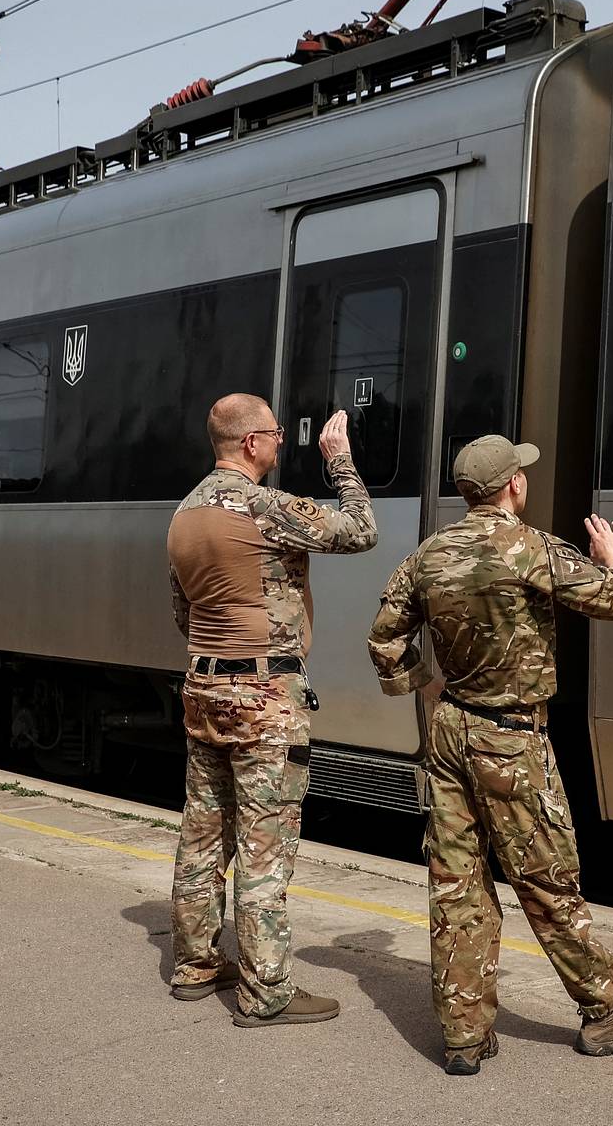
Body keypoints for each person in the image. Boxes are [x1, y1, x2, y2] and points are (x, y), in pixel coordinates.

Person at [367, 434, 613, 1073]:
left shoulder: (429, 554)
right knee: (547, 879)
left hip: (449, 729)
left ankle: (463, 1035)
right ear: (512, 486)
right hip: (511, 738)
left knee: (457, 883)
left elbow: (385, 640)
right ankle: (606, 1013)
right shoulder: (531, 548)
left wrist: (427, 685)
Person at [167, 395, 376, 1026]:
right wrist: (340, 462)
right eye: (276, 435)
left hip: (205, 689)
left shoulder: (183, 513)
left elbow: (185, 613)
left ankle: (196, 965)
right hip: (264, 697)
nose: (282, 443)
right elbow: (360, 530)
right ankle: (267, 992)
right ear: (252, 443)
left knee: (203, 833)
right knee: (265, 842)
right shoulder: (265, 506)